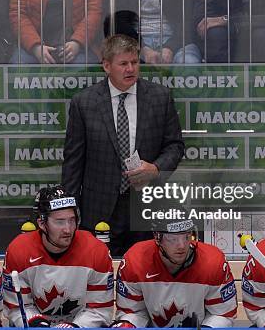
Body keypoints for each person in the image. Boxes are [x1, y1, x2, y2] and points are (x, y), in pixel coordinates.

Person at [61, 34, 185, 256]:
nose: (131, 69)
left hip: (146, 206)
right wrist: (69, 212)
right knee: (99, 273)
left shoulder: (160, 97)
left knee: (144, 271)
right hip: (99, 209)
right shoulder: (85, 102)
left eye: (135, 62)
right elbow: (73, 162)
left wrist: (155, 168)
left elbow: (175, 146)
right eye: (123, 64)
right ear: (107, 66)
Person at [3, 186, 114, 327]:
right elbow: (17, 306)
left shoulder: (96, 251)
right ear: (42, 223)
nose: (68, 229)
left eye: (72, 220)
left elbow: (99, 310)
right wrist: (36, 323)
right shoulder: (19, 250)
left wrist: (74, 327)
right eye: (60, 222)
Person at [113, 210, 237, 327]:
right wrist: (129, 325)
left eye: (187, 236)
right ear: (157, 237)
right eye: (173, 239)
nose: (182, 246)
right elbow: (132, 311)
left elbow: (223, 314)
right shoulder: (136, 261)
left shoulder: (212, 262)